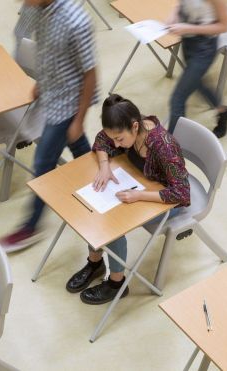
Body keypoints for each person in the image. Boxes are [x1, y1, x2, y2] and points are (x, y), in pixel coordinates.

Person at [69, 94, 190, 305]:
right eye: (114, 139)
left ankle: (117, 284)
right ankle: (95, 262)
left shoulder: (163, 146)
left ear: (135, 127)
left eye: (120, 139)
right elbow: (101, 139)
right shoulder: (126, 125)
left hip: (167, 200)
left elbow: (181, 193)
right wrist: (105, 165)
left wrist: (139, 196)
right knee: (95, 206)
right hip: (140, 182)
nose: (116, 143)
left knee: (114, 224)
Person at [0, 0, 99, 251]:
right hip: (52, 93)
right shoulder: (38, 9)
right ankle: (100, 183)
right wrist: (41, 82)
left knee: (43, 163)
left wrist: (78, 119)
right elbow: (45, 49)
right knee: (78, 147)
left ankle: (29, 227)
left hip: (68, 103)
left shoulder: (76, 21)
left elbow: (90, 74)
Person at [167, 0, 227, 138]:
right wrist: (174, 14)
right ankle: (224, 112)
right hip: (188, 43)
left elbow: (224, 26)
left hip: (203, 49)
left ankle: (171, 149)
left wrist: (188, 28)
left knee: (177, 99)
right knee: (197, 83)